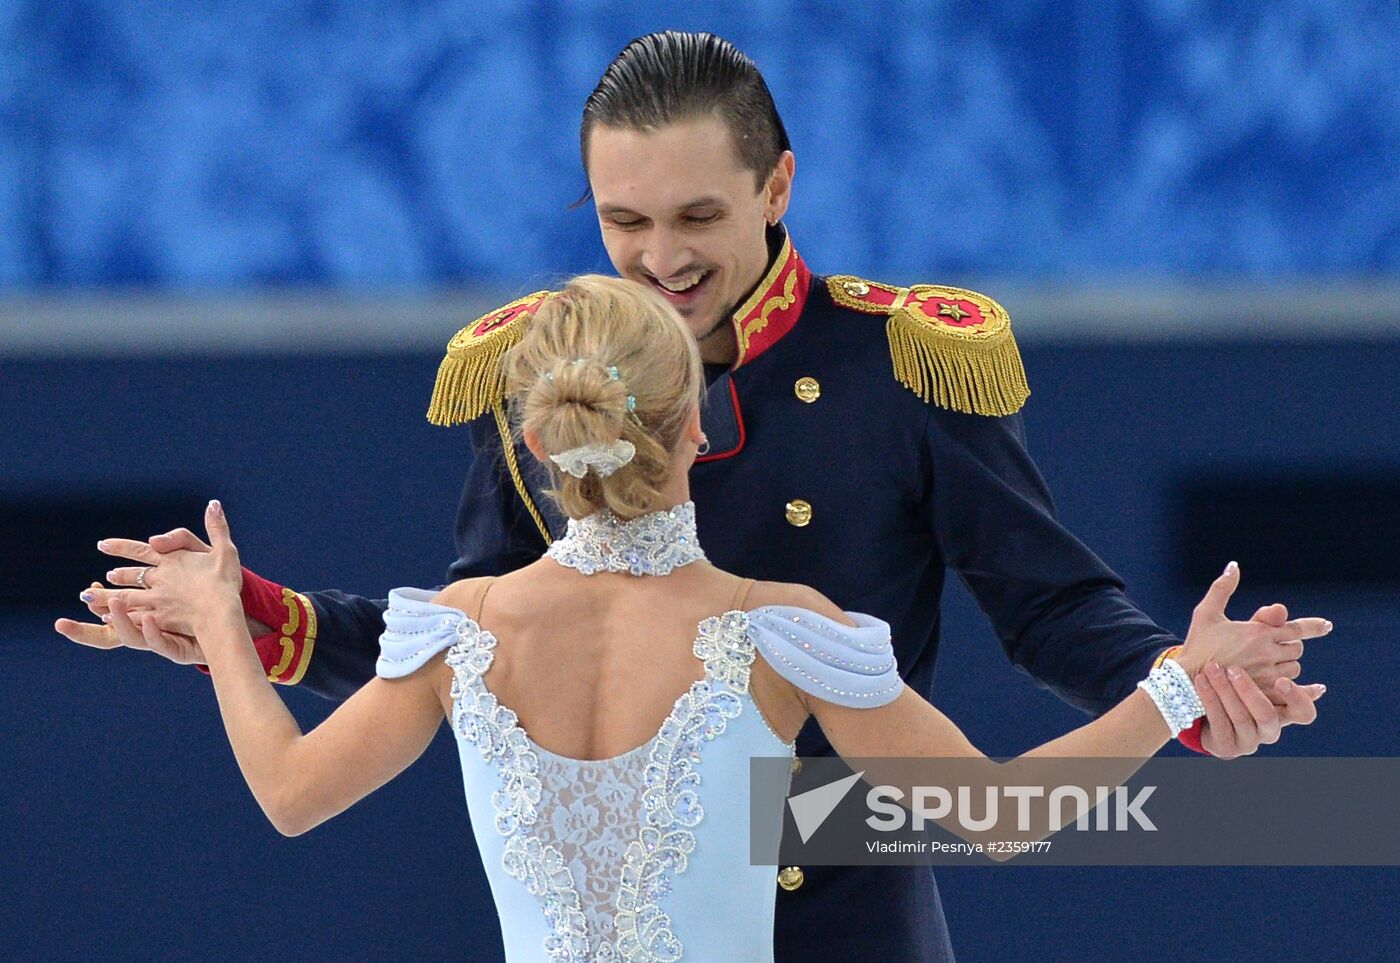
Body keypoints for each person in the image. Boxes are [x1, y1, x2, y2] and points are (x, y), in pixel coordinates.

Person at [57, 32, 1326, 962]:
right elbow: (462, 622)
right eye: (622, 221)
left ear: (777, 188)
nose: (660, 259)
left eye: (697, 216)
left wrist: (1185, 686)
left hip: (849, 878)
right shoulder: (538, 370)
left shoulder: (895, 365)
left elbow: (1051, 608)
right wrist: (260, 617)